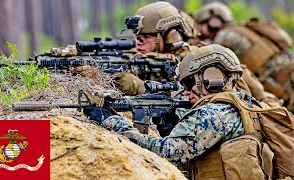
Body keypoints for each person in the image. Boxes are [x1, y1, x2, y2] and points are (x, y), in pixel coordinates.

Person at [84, 44, 277, 179]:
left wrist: (112, 121)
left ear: (212, 78)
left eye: (189, 82)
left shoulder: (212, 114)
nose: (185, 91)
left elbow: (167, 153)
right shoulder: (245, 103)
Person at [194, 1, 294, 111]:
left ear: (213, 22)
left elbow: (209, 56)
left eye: (201, 24)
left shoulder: (225, 36)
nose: (199, 30)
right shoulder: (240, 30)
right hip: (286, 71)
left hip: (280, 79)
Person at [114, 1, 201, 96]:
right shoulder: (136, 57)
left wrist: (140, 87)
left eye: (146, 37)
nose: (138, 42)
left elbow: (191, 95)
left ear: (169, 37)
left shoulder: (194, 60)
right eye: (137, 37)